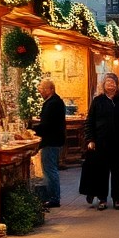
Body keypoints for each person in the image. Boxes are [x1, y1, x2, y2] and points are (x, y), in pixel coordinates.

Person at [82, 72, 119, 210]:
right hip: (101, 142)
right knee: (102, 171)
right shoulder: (98, 101)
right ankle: (102, 199)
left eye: (113, 82)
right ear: (103, 85)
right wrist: (90, 139)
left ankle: (116, 198)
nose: (110, 85)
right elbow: (90, 121)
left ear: (117, 85)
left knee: (117, 171)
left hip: (118, 142)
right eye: (108, 82)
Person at [35, 78, 66, 208]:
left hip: (51, 141)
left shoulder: (53, 103)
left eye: (42, 89)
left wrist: (33, 129)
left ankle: (53, 198)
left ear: (50, 89)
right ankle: (53, 196)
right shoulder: (53, 102)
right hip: (53, 140)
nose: (40, 92)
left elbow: (48, 124)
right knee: (50, 169)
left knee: (49, 169)